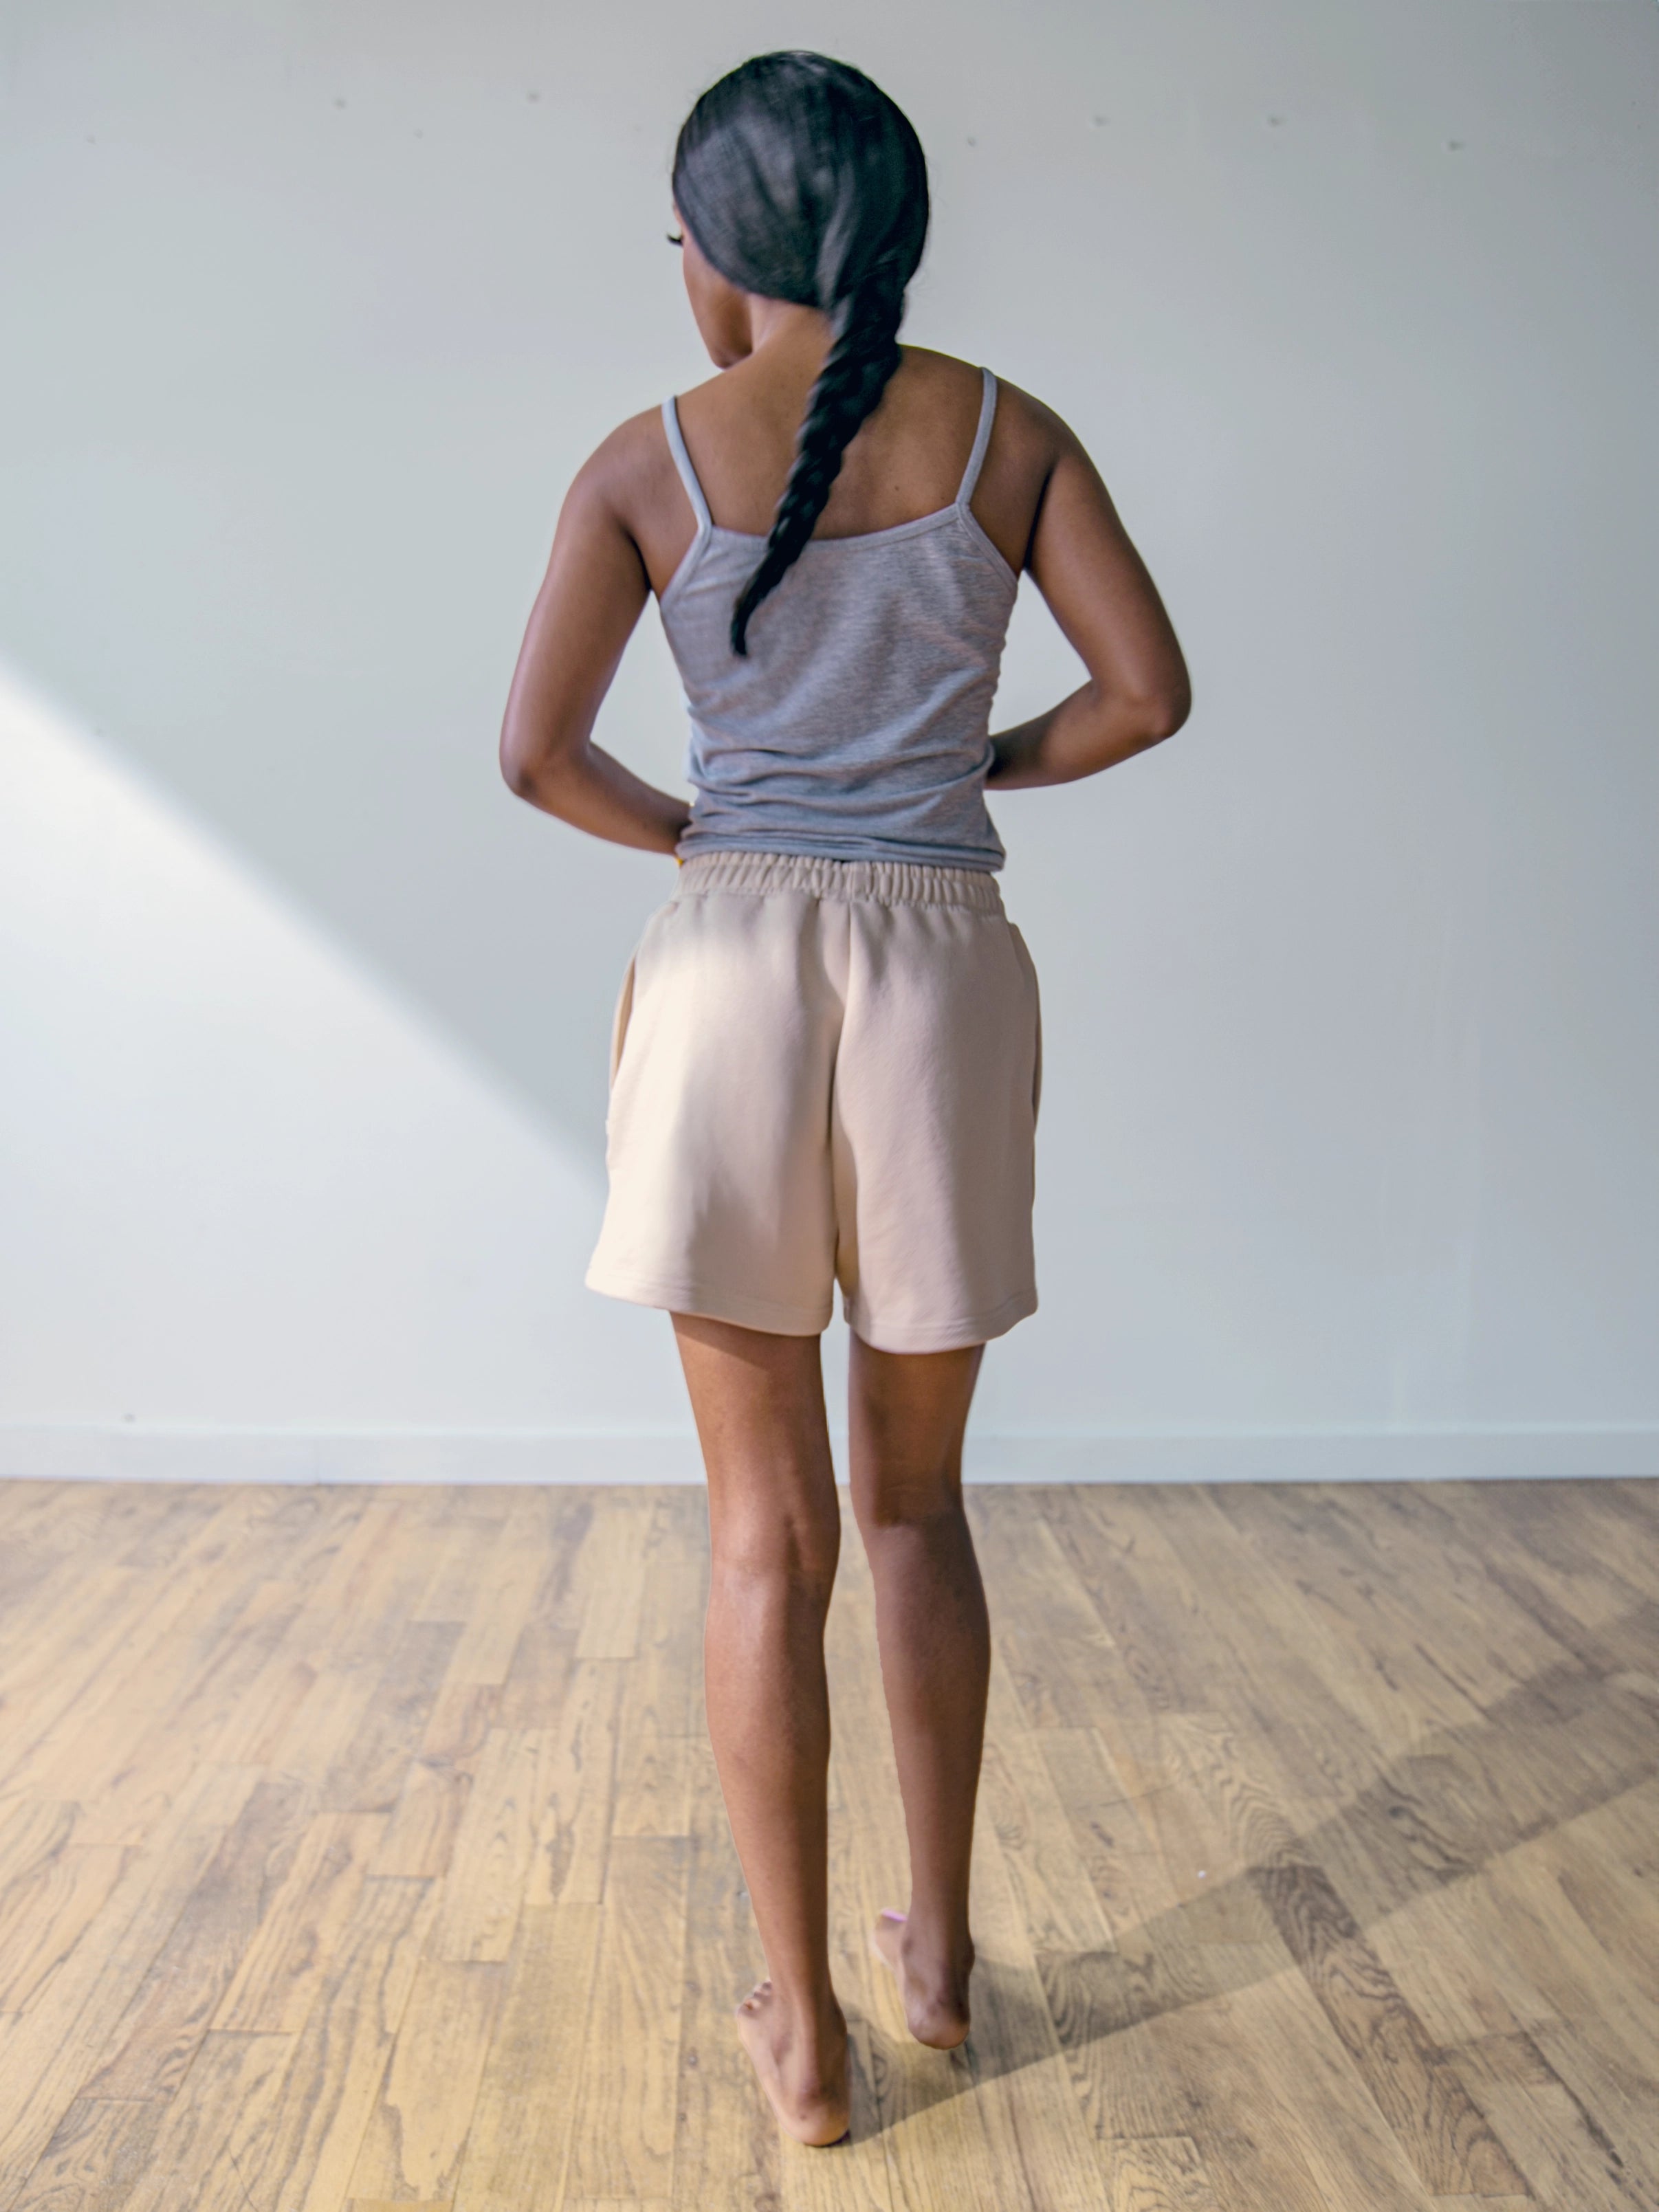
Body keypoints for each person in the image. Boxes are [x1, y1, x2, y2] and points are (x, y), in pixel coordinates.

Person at [500, 51, 1189, 2147]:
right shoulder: (1012, 433)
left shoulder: (645, 454)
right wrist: (965, 777)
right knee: (910, 1510)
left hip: (724, 978)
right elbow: (1148, 693)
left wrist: (716, 830)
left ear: (710, 265)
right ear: (893, 239)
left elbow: (533, 754)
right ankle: (943, 1960)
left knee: (759, 1538)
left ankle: (798, 2033)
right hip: (938, 971)